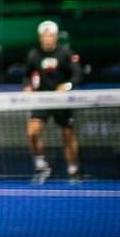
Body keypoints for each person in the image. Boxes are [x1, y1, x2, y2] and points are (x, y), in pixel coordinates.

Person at [24, 20, 82, 183]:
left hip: (61, 101)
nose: (47, 38)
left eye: (50, 35)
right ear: (40, 37)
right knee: (32, 133)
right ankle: (41, 166)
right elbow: (26, 74)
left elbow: (77, 75)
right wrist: (27, 86)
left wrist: (67, 85)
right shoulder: (33, 55)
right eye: (44, 36)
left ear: (55, 37)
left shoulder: (66, 53)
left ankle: (73, 171)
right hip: (41, 99)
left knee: (68, 135)